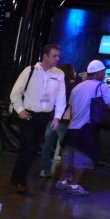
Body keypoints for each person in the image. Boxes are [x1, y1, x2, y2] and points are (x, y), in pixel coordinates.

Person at [54, 60, 110, 196]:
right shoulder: (102, 87)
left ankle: (61, 181)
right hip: (87, 128)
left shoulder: (77, 87)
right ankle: (74, 186)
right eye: (104, 71)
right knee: (82, 159)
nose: (104, 74)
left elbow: (71, 109)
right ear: (99, 73)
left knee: (67, 157)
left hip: (72, 127)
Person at [9, 43, 66, 194]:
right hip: (28, 115)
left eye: (58, 56)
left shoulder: (59, 74)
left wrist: (57, 117)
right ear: (45, 56)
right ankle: (20, 181)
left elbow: (61, 98)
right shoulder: (30, 70)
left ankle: (15, 178)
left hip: (44, 117)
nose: (57, 59)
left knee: (32, 150)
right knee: (28, 148)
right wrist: (20, 110)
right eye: (54, 56)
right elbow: (15, 93)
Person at [38, 63, 79, 177]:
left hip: (51, 117)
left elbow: (45, 99)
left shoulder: (55, 84)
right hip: (64, 120)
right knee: (66, 147)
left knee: (47, 145)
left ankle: (44, 170)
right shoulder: (75, 86)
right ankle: (67, 174)